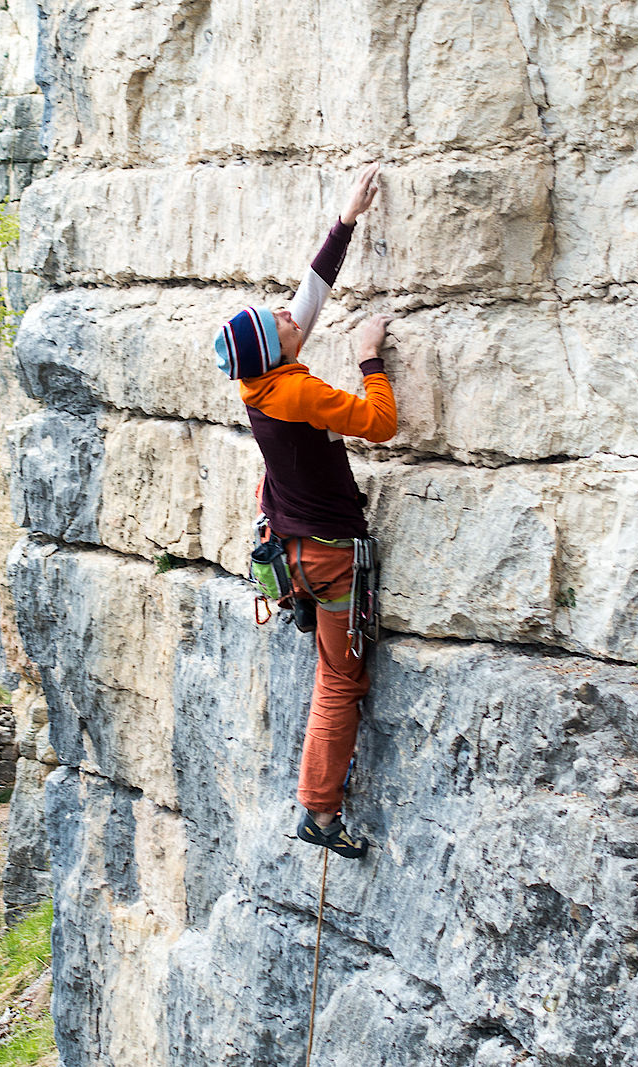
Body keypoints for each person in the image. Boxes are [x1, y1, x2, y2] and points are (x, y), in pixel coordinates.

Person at [211, 162, 398, 860]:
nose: (290, 315)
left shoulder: (262, 382)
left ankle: (319, 803)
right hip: (330, 555)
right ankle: (319, 812)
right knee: (340, 682)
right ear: (277, 350)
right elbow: (380, 423)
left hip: (294, 548)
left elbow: (309, 296)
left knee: (330, 676)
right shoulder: (300, 394)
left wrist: (345, 220)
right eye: (280, 323)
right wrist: (369, 357)